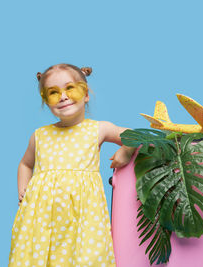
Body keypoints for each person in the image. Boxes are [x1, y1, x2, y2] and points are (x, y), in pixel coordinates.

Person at [8, 63, 136, 267]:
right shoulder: (39, 135)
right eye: (53, 92)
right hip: (40, 218)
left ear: (86, 94)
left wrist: (126, 150)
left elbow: (134, 136)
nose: (63, 96)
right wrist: (23, 193)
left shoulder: (98, 129)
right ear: (46, 101)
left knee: (86, 258)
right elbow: (25, 164)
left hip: (83, 216)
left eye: (70, 89)